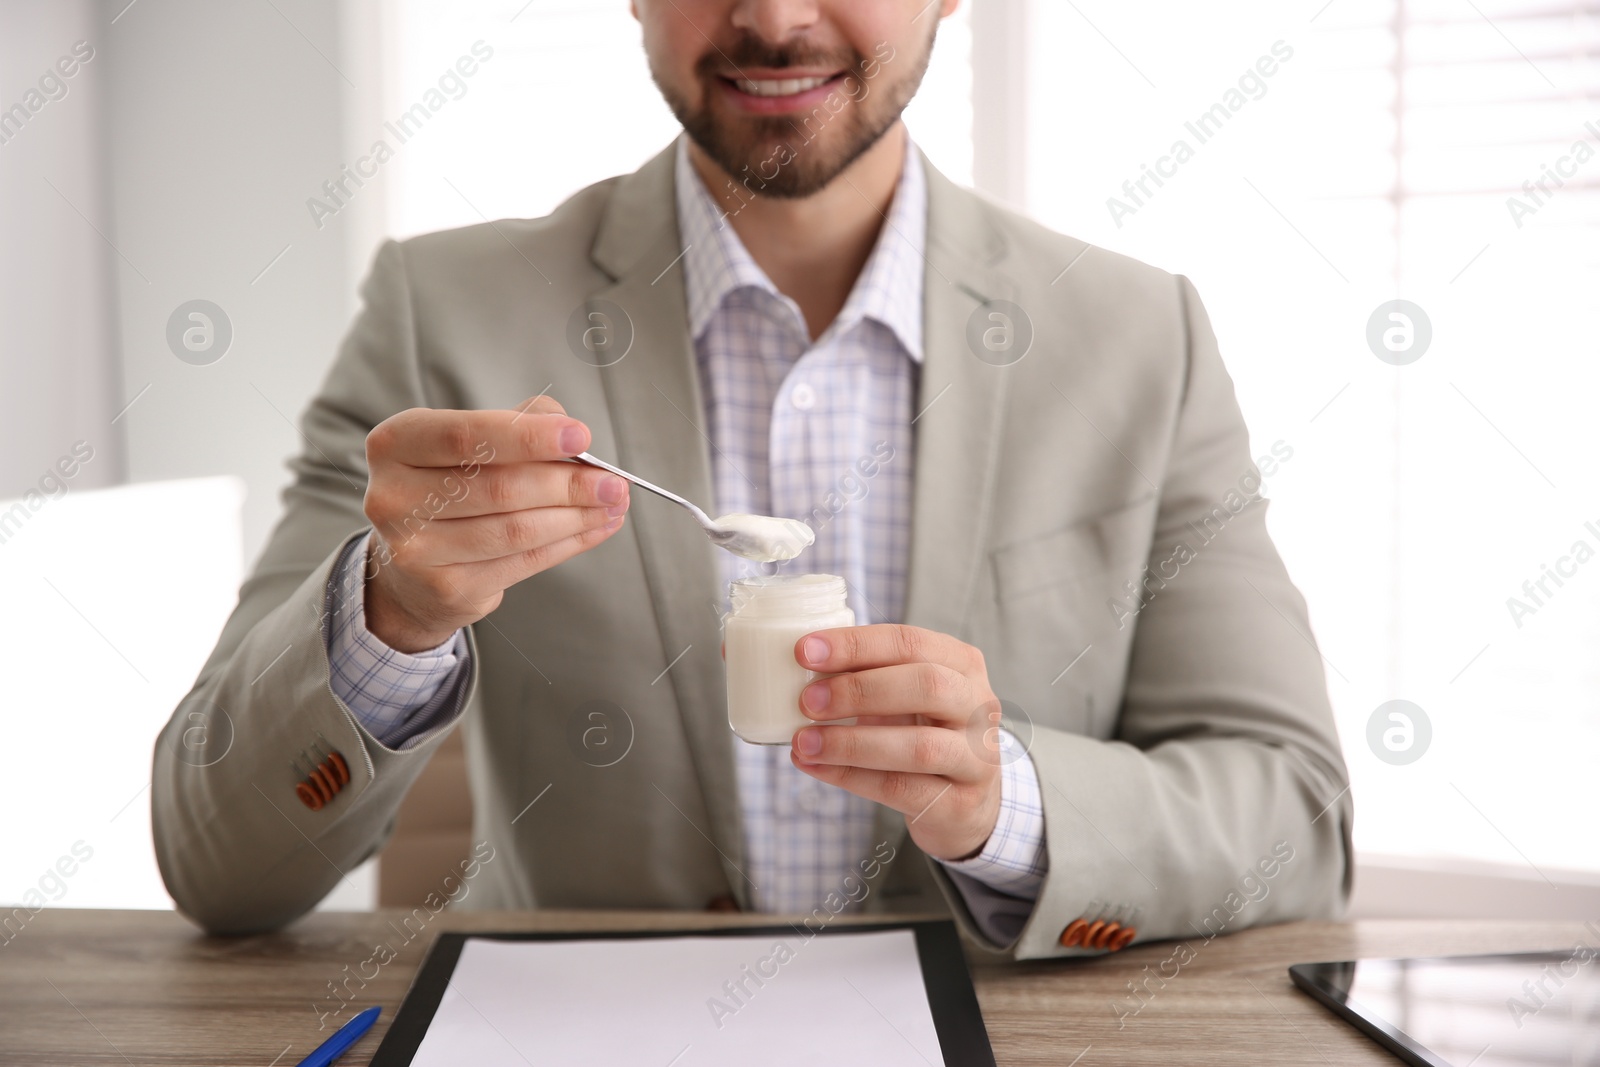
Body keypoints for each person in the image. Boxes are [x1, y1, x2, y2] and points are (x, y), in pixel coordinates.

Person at [152, 0, 1352, 960]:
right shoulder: (441, 320)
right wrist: (391, 618)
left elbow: (1294, 814)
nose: (774, 20)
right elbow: (217, 869)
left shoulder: (1139, 337)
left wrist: (1008, 801)